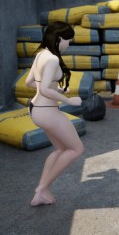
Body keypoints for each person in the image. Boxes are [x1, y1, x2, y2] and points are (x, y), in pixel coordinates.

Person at [24, 21, 84, 206]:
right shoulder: (52, 59)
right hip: (48, 112)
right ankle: (42, 189)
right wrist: (69, 100)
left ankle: (41, 192)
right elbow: (43, 89)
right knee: (76, 149)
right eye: (68, 40)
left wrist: (56, 89)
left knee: (61, 149)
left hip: (36, 109)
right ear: (59, 38)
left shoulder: (40, 54)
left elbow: (30, 82)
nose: (68, 45)